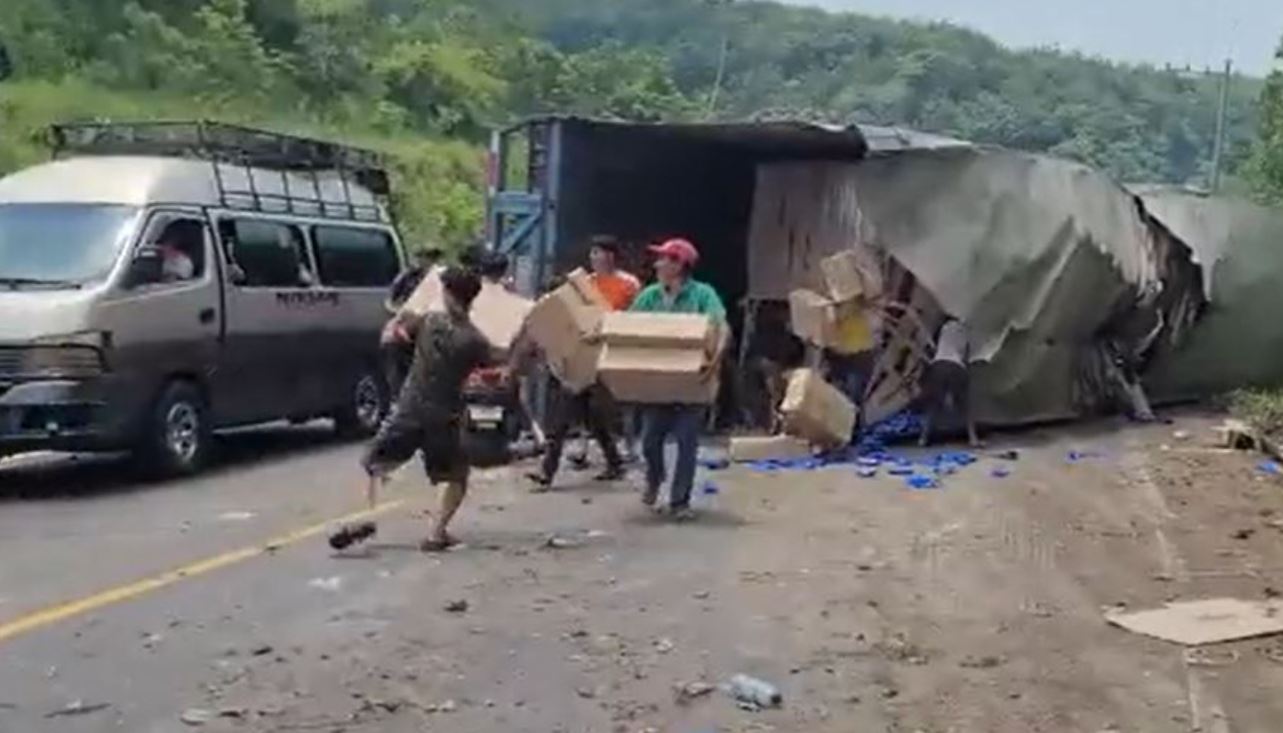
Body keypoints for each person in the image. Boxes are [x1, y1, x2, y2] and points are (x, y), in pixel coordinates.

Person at [357, 267, 494, 552]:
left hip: (409, 407)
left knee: (374, 462)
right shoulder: (475, 340)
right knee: (455, 477)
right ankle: (436, 533)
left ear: (448, 294)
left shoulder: (429, 322)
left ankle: (363, 520)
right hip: (444, 416)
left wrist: (399, 318)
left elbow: (391, 338)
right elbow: (494, 367)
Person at [630, 238, 729, 520]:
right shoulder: (649, 296)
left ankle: (679, 502)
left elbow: (720, 326)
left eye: (663, 259)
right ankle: (655, 477)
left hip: (692, 381)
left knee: (687, 442)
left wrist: (715, 360)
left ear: (679, 265)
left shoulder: (702, 295)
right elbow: (628, 326)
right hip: (657, 381)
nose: (657, 264)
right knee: (650, 440)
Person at [918, 317, 981, 448]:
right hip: (956, 366)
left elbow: (932, 347)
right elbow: (966, 356)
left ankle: (923, 438)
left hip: (939, 365)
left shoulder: (943, 328)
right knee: (965, 406)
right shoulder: (965, 330)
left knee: (933, 404)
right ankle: (973, 438)